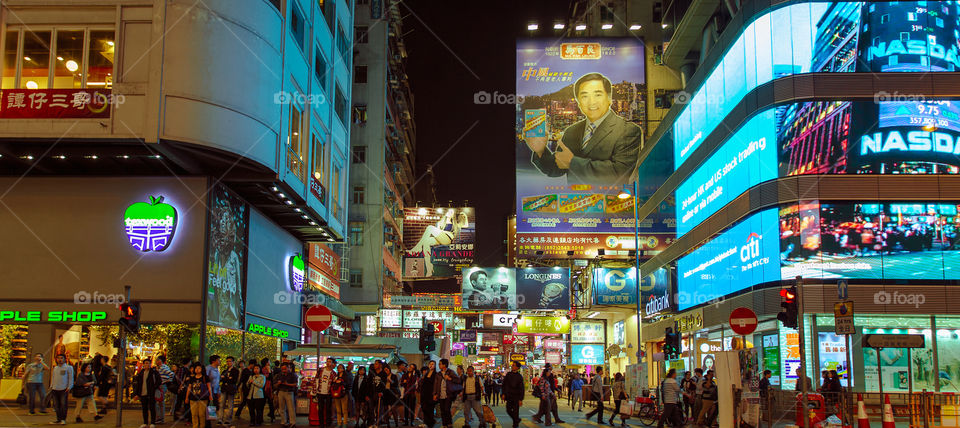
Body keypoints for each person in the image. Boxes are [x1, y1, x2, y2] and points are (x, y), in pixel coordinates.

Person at [525, 72, 642, 186]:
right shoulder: (571, 131)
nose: (592, 102)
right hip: (573, 201)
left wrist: (572, 163)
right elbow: (556, 169)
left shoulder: (628, 130)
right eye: (584, 96)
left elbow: (620, 174)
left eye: (598, 94)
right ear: (579, 102)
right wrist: (540, 151)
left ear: (609, 98)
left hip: (611, 200)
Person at [406, 209, 470, 277]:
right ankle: (429, 269)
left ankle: (416, 249)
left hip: (447, 239)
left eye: (451, 212)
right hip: (440, 239)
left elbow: (466, 225)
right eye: (448, 211)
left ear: (453, 215)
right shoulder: (441, 222)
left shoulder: (455, 223)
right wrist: (441, 231)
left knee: (429, 227)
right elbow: (437, 233)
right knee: (426, 242)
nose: (449, 212)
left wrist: (464, 215)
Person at [182, 362, 213, 428]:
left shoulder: (205, 377)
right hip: (193, 398)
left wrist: (211, 395)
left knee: (202, 414)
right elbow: (189, 388)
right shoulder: (192, 378)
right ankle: (195, 426)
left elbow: (209, 386)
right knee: (194, 414)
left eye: (199, 368)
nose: (197, 369)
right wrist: (187, 397)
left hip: (203, 398)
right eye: (196, 368)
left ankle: (202, 426)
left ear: (202, 369)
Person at [133, 358, 161, 428]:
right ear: (143, 364)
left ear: (150, 364)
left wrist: (154, 388)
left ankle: (152, 422)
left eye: (148, 363)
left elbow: (159, 381)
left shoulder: (154, 372)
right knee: (144, 408)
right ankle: (145, 422)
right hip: (143, 393)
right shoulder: (141, 373)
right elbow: (138, 384)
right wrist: (136, 394)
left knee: (152, 408)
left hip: (151, 393)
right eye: (145, 363)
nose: (147, 364)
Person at [433, 359, 461, 428]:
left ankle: (449, 423)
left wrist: (450, 378)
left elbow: (458, 380)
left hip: (448, 394)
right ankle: (444, 424)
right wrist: (435, 394)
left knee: (447, 409)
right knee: (442, 410)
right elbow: (436, 384)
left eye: (440, 364)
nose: (439, 365)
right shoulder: (438, 374)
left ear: (444, 365)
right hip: (441, 394)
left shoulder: (451, 372)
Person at [49, 353, 73, 425]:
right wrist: (51, 386)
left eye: (61, 358)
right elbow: (53, 378)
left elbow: (71, 378)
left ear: (65, 359)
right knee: (56, 405)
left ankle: (63, 419)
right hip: (55, 388)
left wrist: (69, 387)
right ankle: (58, 419)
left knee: (63, 405)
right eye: (58, 358)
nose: (60, 360)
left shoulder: (68, 368)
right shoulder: (55, 368)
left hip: (64, 389)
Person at [275, 362, 299, 428]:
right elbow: (275, 385)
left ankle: (292, 422)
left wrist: (287, 384)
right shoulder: (279, 375)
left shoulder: (293, 375)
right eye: (282, 369)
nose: (284, 370)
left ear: (289, 368)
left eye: (285, 368)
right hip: (281, 391)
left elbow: (296, 384)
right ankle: (283, 422)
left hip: (289, 392)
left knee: (291, 408)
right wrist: (278, 383)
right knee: (282, 408)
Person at [217, 356, 239, 426]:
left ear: (233, 362)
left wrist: (225, 378)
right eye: (227, 361)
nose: (228, 362)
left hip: (231, 389)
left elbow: (234, 380)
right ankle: (220, 419)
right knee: (221, 404)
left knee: (230, 404)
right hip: (224, 389)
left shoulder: (235, 370)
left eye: (230, 361)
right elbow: (221, 379)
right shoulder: (224, 371)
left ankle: (228, 419)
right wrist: (227, 378)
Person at [502, 361, 524, 428]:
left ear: (517, 367)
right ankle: (517, 420)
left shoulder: (519, 377)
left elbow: (521, 389)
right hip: (509, 396)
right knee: (508, 410)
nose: (512, 366)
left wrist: (521, 399)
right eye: (512, 365)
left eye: (513, 365)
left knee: (516, 411)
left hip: (516, 397)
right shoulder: (508, 374)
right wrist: (503, 394)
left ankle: (515, 424)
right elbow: (504, 385)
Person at [316, 357, 336, 428]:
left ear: (333, 364)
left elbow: (334, 383)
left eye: (330, 362)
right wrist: (315, 389)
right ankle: (321, 424)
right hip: (320, 392)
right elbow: (316, 379)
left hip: (328, 393)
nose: (328, 363)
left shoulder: (333, 373)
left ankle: (328, 424)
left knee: (328, 409)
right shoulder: (321, 370)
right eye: (327, 361)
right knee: (320, 409)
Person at [155, 355, 175, 424]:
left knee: (158, 402)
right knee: (160, 402)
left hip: (161, 386)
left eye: (157, 360)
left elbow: (172, 374)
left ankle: (159, 418)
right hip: (162, 386)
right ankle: (160, 418)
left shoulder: (163, 368)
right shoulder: (163, 367)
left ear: (160, 361)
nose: (155, 361)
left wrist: (167, 380)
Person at [246, 363, 267, 427]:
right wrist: (249, 383)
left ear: (260, 369)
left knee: (259, 410)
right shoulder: (251, 376)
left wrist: (253, 382)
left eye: (257, 368)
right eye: (255, 368)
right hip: (250, 395)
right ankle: (252, 421)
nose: (256, 370)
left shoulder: (262, 377)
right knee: (251, 410)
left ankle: (258, 421)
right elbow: (247, 384)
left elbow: (261, 385)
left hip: (259, 395)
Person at [419, 361, 437, 428]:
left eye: (432, 364)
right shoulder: (426, 373)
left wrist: (435, 394)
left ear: (435, 366)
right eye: (430, 364)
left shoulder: (436, 374)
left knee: (430, 409)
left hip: (431, 393)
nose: (431, 365)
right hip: (424, 393)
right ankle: (425, 422)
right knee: (424, 408)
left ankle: (430, 423)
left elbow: (436, 384)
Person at [205, 355, 221, 428]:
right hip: (209, 391)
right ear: (213, 361)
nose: (220, 361)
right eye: (218, 360)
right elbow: (206, 379)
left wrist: (218, 391)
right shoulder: (208, 368)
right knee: (209, 406)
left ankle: (210, 423)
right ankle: (207, 424)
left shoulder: (217, 369)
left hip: (215, 391)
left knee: (214, 407)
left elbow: (217, 381)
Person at [333, 364, 349, 428]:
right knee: (338, 410)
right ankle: (339, 423)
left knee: (344, 410)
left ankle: (345, 423)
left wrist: (341, 382)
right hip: (337, 394)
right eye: (338, 368)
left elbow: (348, 384)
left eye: (340, 368)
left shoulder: (346, 376)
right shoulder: (336, 376)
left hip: (343, 394)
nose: (339, 369)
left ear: (343, 368)